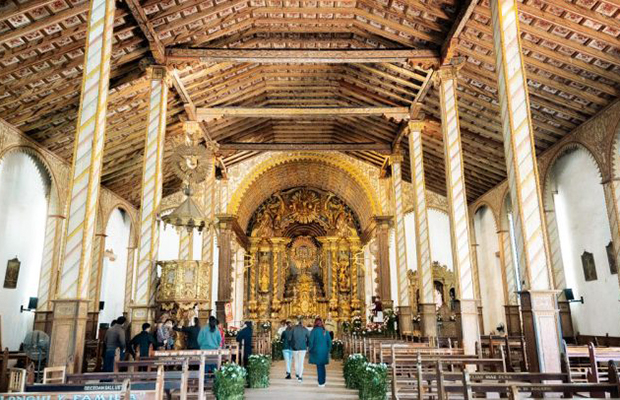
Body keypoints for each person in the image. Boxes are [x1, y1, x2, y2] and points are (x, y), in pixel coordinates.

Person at [309, 317, 332, 387]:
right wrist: (328, 350)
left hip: (317, 351)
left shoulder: (313, 331)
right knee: (322, 366)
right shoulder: (325, 331)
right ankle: (323, 381)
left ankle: (321, 382)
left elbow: (311, 342)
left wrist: (310, 349)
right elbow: (329, 342)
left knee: (319, 366)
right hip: (324, 351)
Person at [292, 317, 310, 382]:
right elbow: (309, 338)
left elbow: (290, 338)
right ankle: (300, 377)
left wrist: (292, 345)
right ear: (302, 323)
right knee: (301, 362)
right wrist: (307, 345)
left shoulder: (293, 329)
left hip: (295, 347)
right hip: (303, 347)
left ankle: (297, 374)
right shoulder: (305, 329)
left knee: (296, 361)